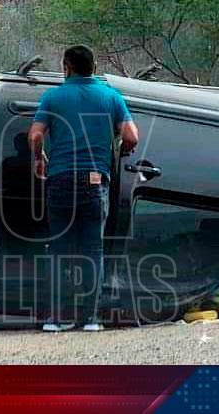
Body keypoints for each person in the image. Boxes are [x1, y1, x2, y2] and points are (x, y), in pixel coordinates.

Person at [28, 45, 139, 332]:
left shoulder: (53, 96)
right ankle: (90, 319)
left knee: (59, 250)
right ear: (94, 66)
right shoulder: (110, 96)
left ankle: (54, 319)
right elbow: (131, 135)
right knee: (92, 250)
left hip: (60, 179)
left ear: (66, 67)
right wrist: (119, 148)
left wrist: (39, 158)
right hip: (94, 182)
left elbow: (36, 134)